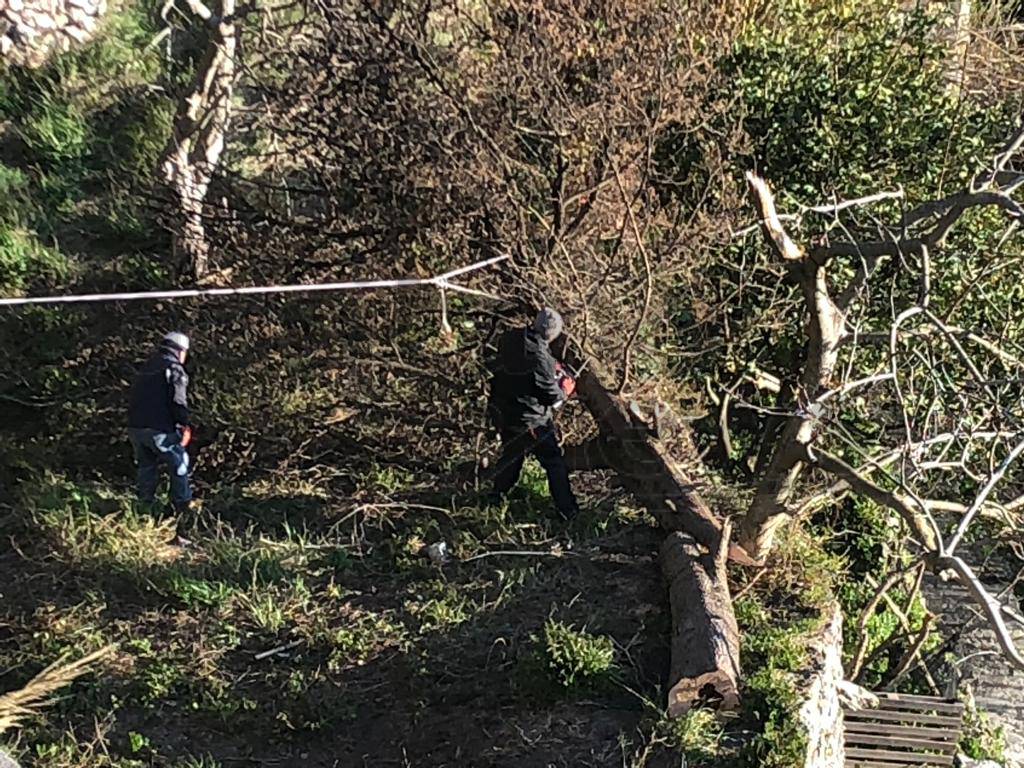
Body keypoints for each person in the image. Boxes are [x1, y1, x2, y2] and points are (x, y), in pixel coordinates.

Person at [487, 308, 579, 521]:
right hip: (531, 420)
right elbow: (551, 397)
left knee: (512, 457)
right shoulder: (541, 359)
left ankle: (494, 498)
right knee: (554, 462)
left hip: (505, 412)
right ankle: (568, 511)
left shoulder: (509, 339)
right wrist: (564, 389)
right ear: (553, 334)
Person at [127, 332, 194, 519]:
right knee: (179, 464)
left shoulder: (146, 368)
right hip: (160, 429)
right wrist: (183, 424)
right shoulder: (173, 368)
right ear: (180, 351)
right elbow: (178, 400)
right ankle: (181, 512)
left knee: (146, 468)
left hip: (136, 428)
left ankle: (143, 510)